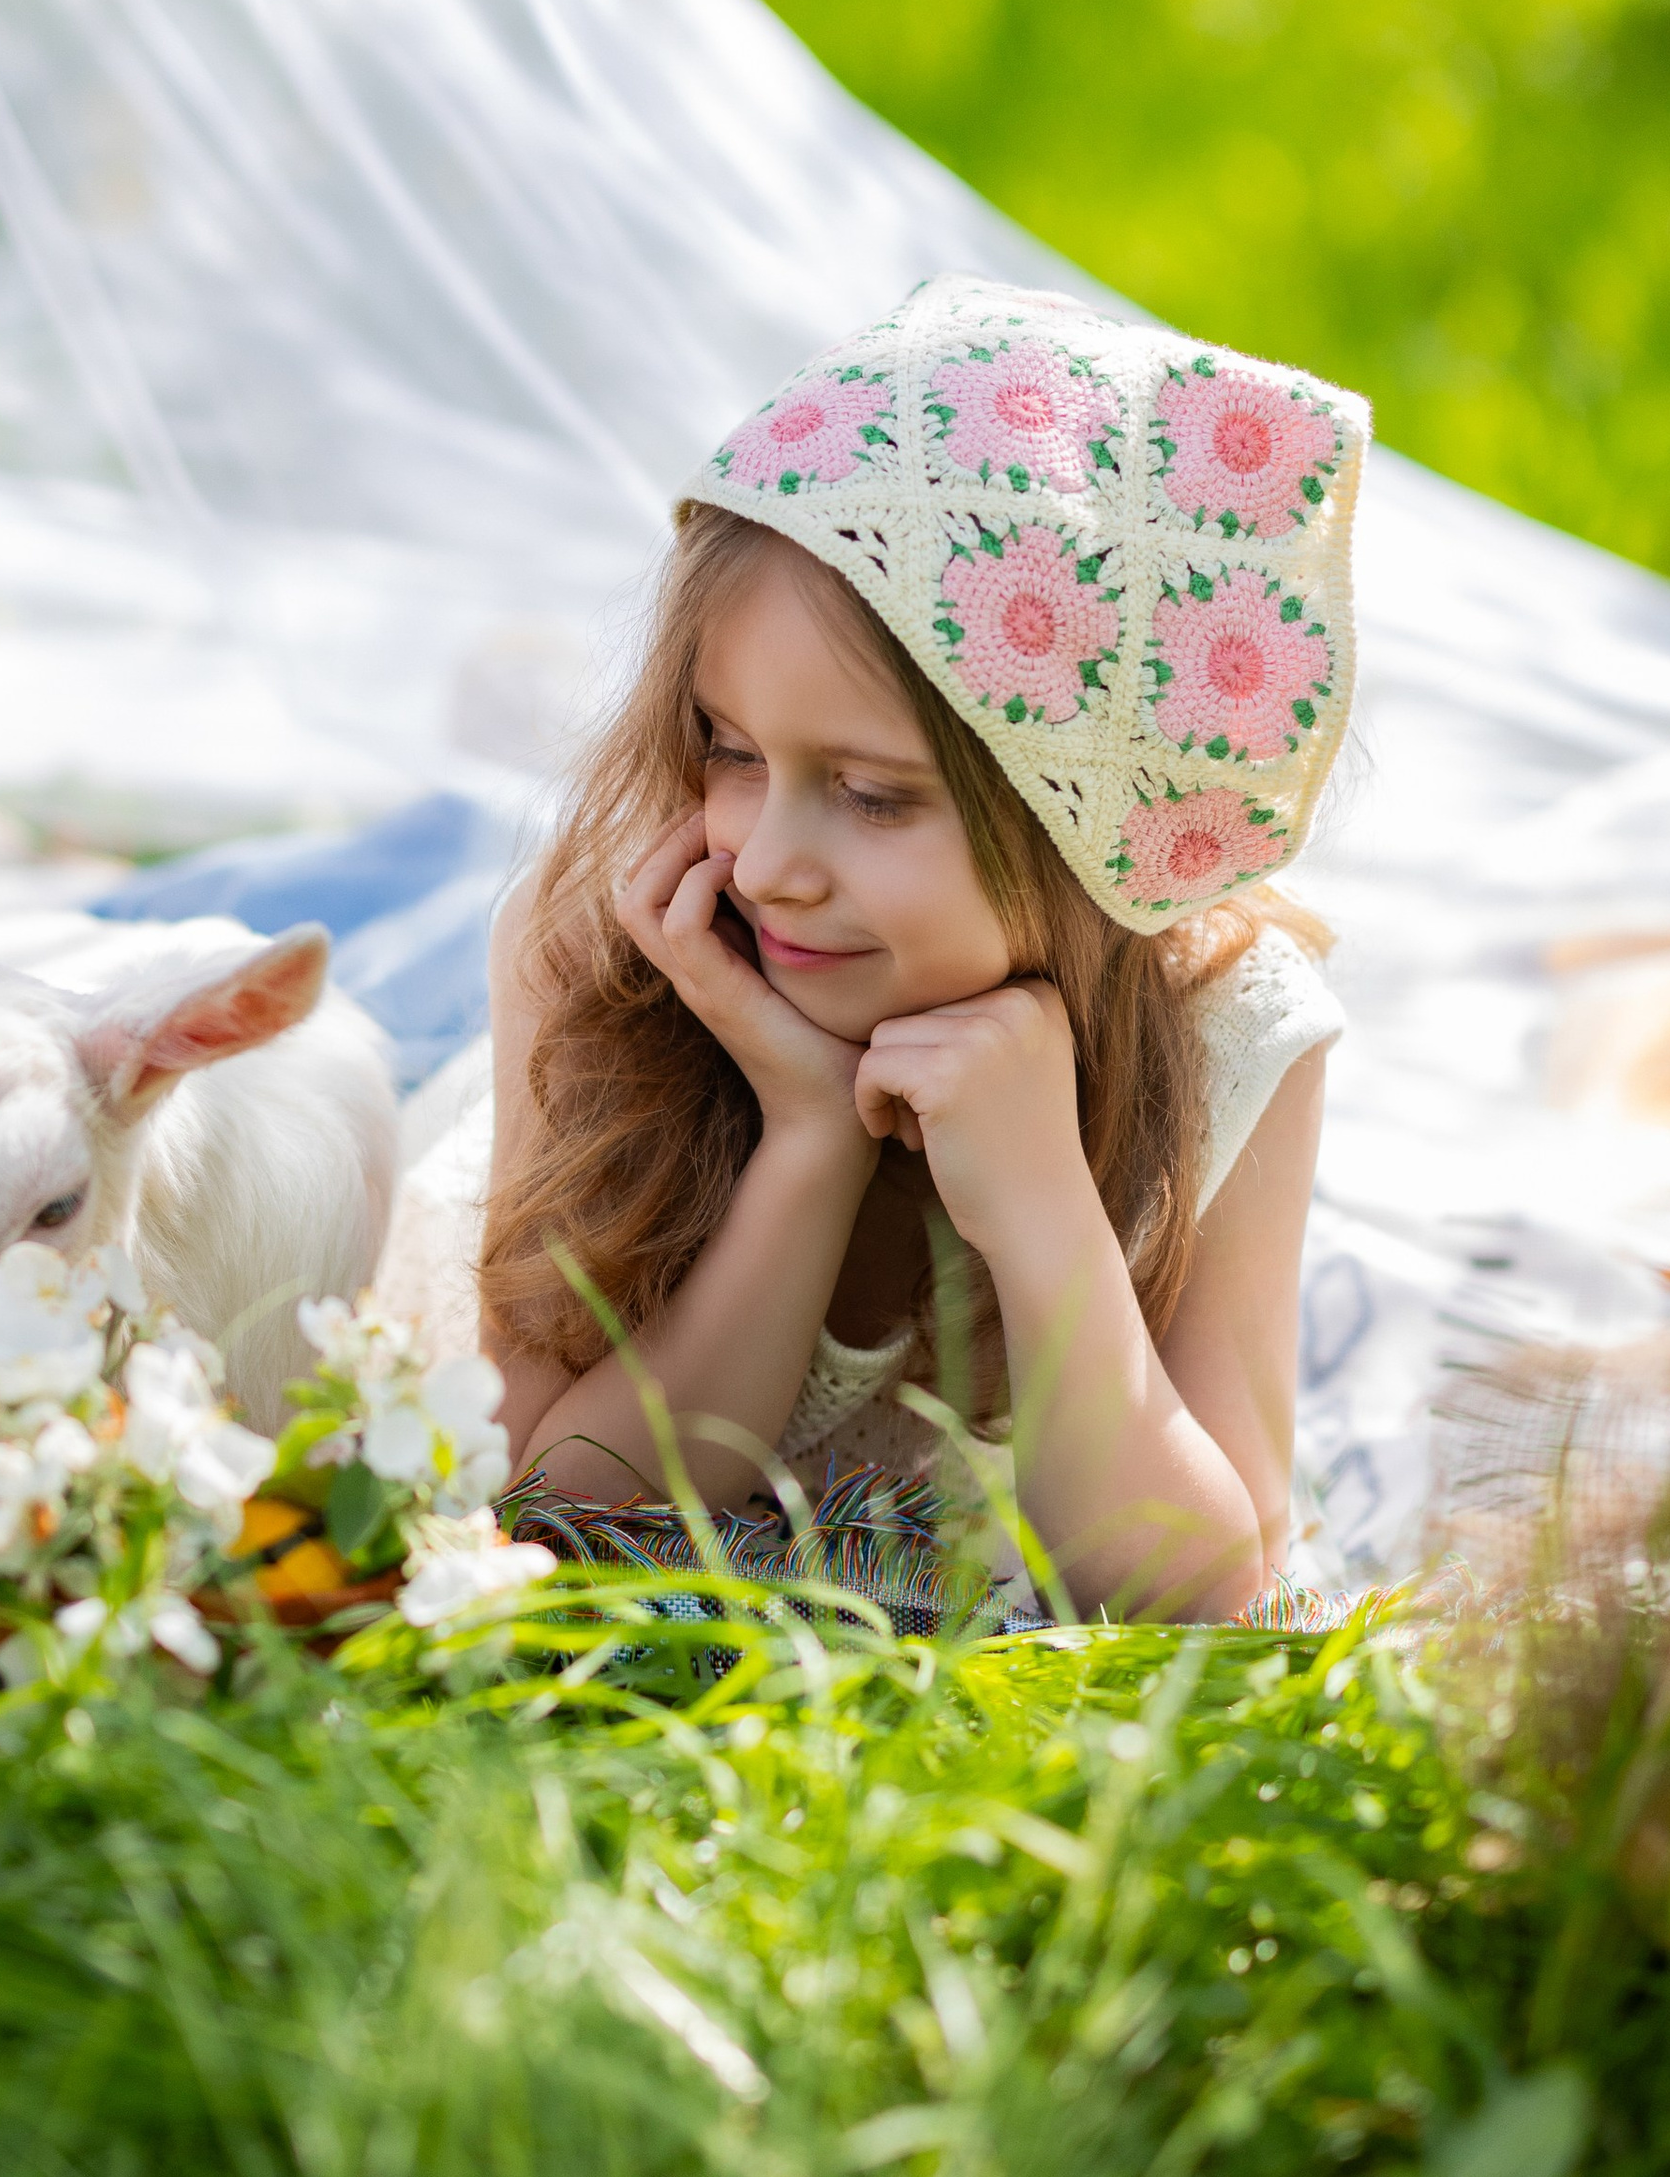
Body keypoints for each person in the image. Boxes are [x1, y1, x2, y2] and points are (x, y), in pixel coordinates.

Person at [478, 276, 1368, 1623]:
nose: (766, 860)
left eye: (876, 793)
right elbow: (556, 1514)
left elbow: (1206, 1594)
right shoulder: (602, 952)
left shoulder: (1229, 1027)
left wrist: (1047, 1209)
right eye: (729, 748)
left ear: (1077, 816)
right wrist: (808, 1146)